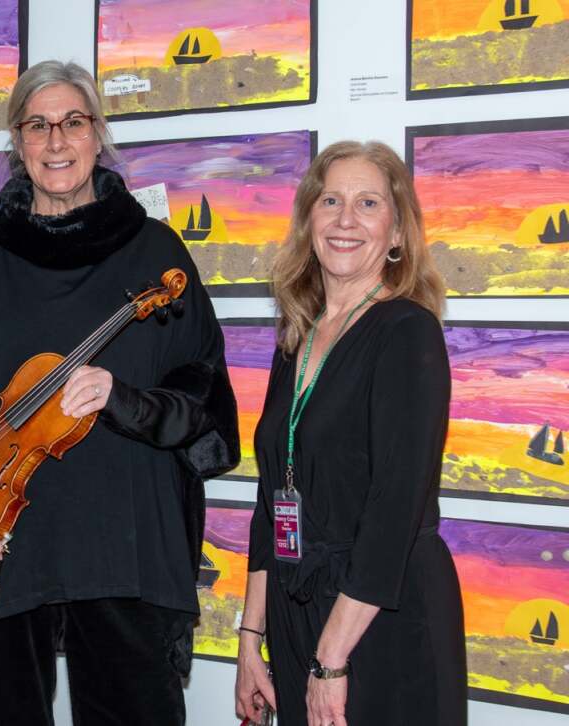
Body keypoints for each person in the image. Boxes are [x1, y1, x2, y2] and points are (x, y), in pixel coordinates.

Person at [0, 60, 239, 725]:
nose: (56, 141)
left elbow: (203, 403)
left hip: (123, 549)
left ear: (98, 133)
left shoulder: (156, 254)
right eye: (37, 125)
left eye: (73, 122)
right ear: (17, 141)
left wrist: (123, 400)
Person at [233, 141, 467, 726]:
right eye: (330, 200)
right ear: (308, 220)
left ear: (397, 233)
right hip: (296, 607)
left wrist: (331, 661)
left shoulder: (407, 332)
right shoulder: (297, 337)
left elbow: (394, 511)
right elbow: (271, 502)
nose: (345, 220)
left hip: (381, 618)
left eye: (368, 203)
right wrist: (251, 638)